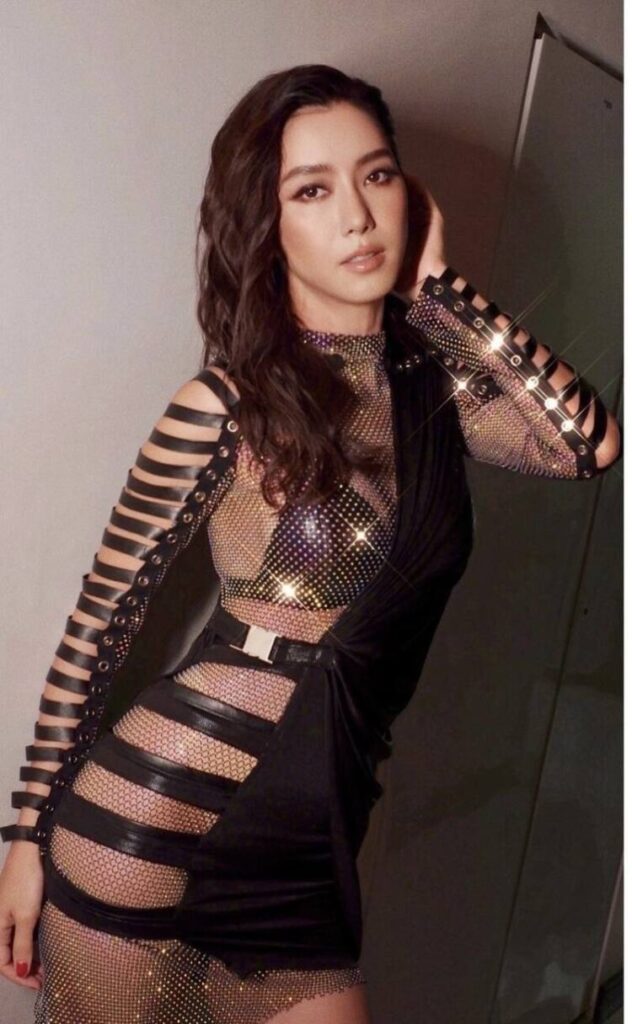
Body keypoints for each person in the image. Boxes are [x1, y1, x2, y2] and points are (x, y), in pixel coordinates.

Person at [0, 63, 622, 1024]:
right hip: (152, 830)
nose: (359, 217)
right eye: (312, 190)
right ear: (266, 222)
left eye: (377, 176)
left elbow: (587, 444)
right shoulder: (226, 404)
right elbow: (101, 624)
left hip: (307, 850)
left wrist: (442, 291)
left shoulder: (434, 395)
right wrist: (25, 837)